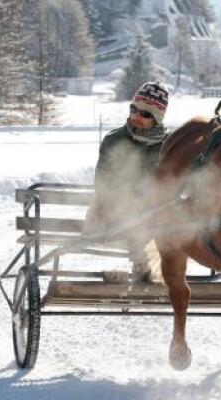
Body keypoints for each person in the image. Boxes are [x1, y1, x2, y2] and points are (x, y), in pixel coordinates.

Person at [85, 81, 169, 282]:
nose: (137, 117)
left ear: (157, 118)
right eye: (134, 110)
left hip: (155, 216)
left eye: (146, 114)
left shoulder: (169, 145)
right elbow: (104, 183)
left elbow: (175, 184)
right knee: (136, 212)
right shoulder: (114, 140)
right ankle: (143, 264)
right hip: (115, 215)